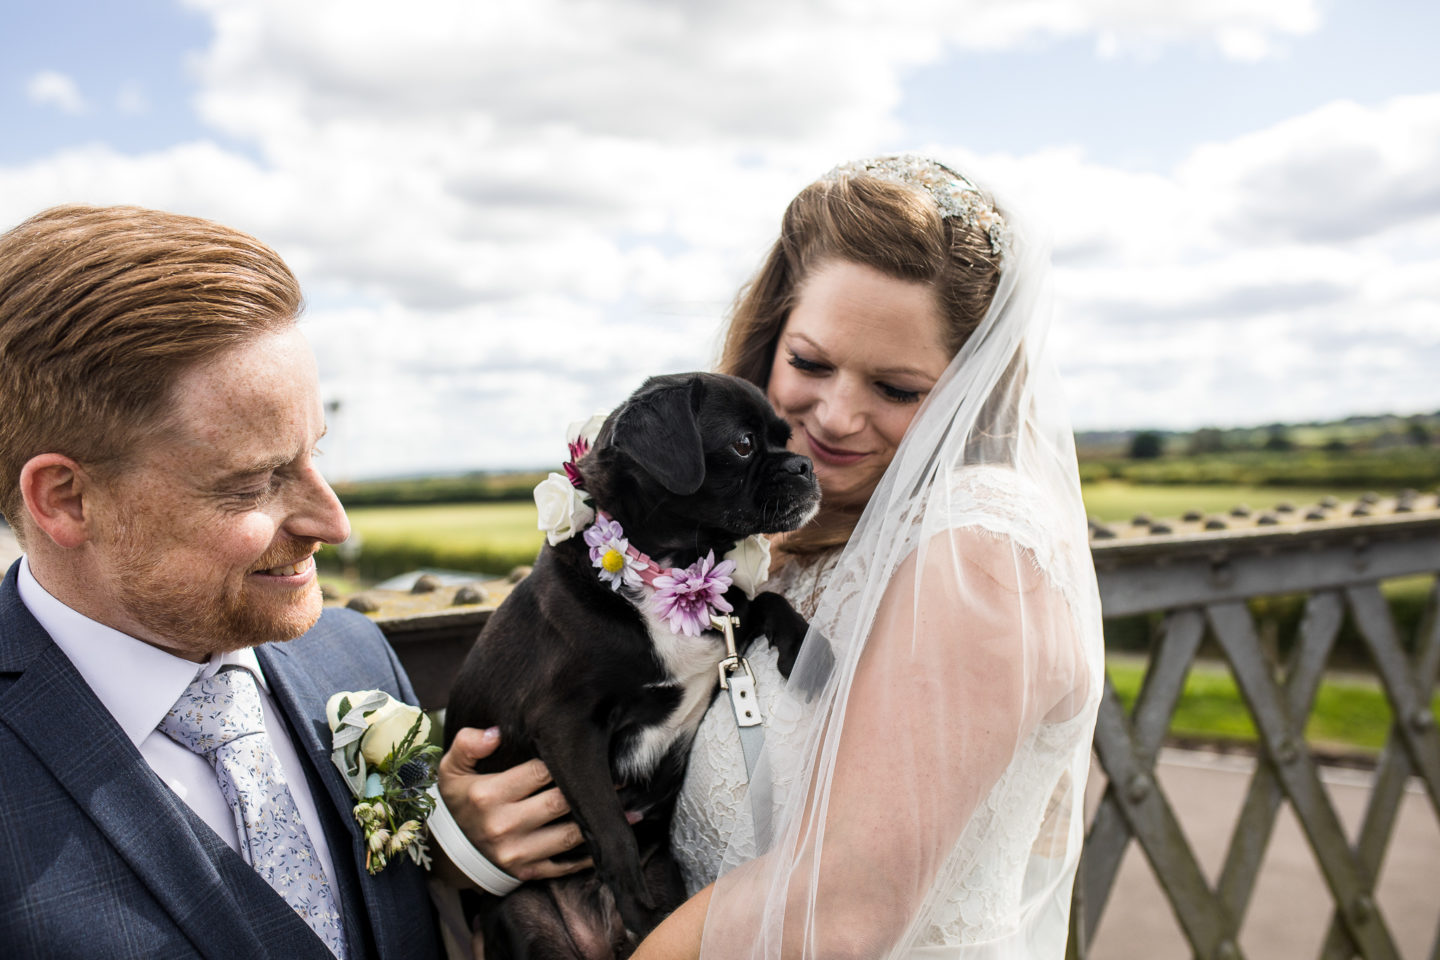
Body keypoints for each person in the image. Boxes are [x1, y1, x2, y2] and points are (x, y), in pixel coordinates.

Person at [0, 204, 581, 959]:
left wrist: (450, 852)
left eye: (315, 456)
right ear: (65, 499)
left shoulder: (352, 659)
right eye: (255, 482)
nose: (332, 523)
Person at [633, 155, 1105, 958]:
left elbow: (838, 909)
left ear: (969, 391)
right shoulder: (792, 546)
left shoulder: (982, 549)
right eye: (811, 364)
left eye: (895, 389)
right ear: (769, 340)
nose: (837, 417)